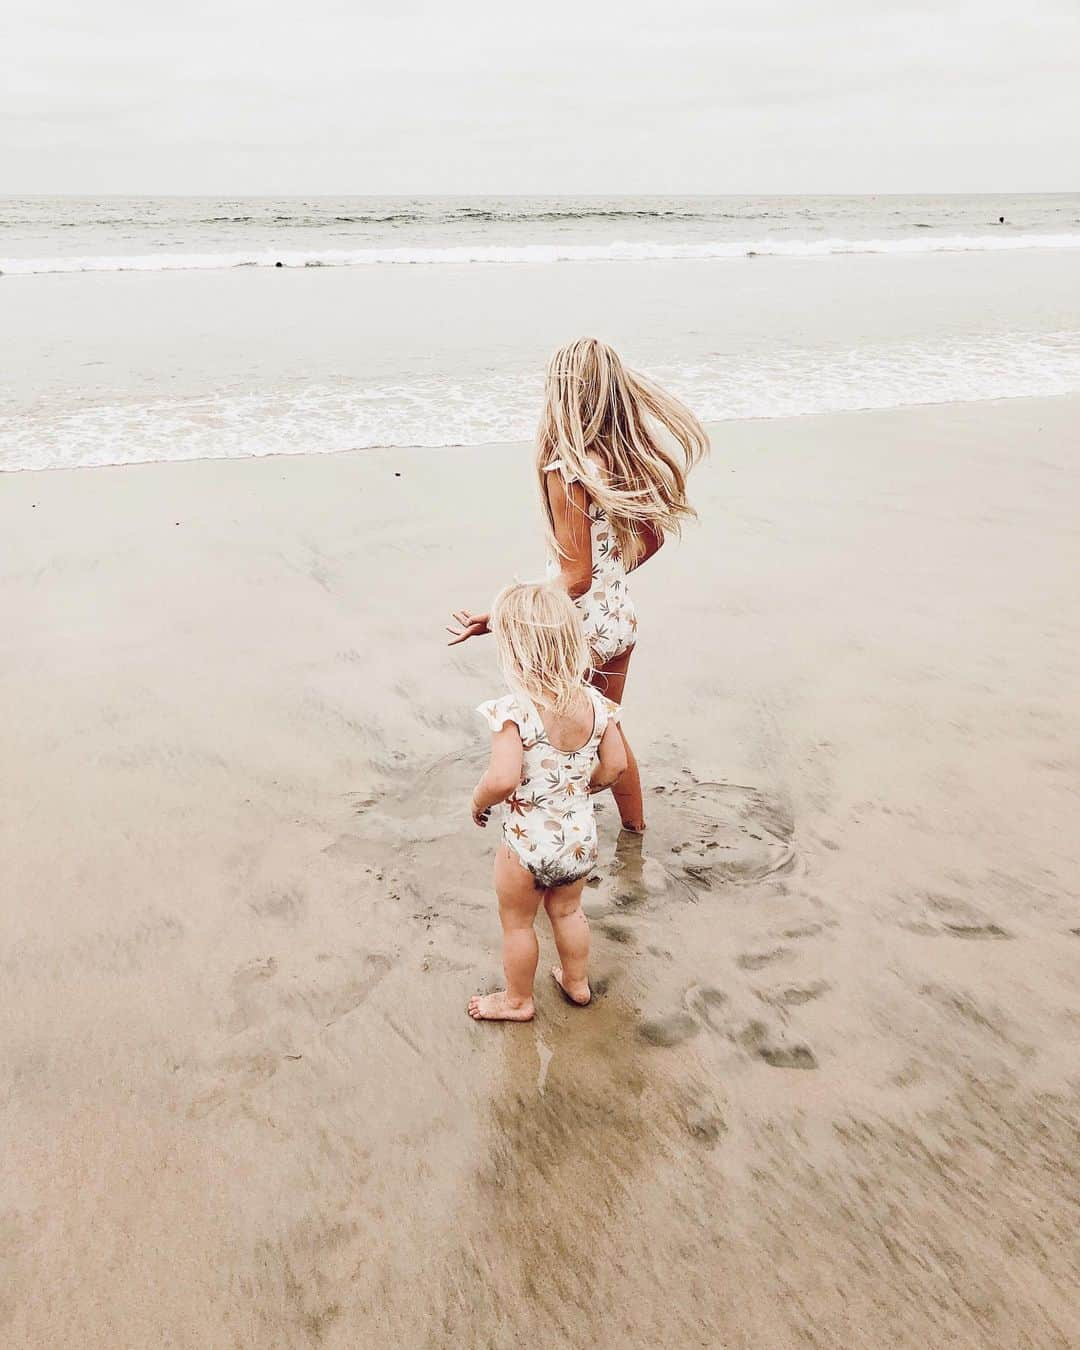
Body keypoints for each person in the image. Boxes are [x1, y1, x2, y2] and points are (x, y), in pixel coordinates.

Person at [448, 337, 708, 834]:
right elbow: (646, 541)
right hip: (619, 620)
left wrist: (506, 615)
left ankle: (552, 835)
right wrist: (608, 577)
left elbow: (575, 576)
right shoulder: (622, 461)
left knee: (555, 741)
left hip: (577, 632)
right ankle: (635, 827)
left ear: (562, 394)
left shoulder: (566, 469)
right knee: (608, 728)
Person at [467, 582, 627, 1022]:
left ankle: (518, 1000)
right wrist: (582, 788)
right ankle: (576, 983)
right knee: (569, 910)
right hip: (577, 838)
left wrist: (478, 802)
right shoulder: (596, 704)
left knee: (518, 924)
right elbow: (616, 765)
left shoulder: (513, 711)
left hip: (524, 845)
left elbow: (503, 778)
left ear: (513, 653)